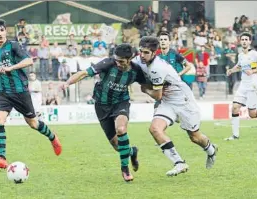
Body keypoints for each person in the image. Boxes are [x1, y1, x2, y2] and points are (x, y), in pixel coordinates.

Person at [0, 19, 62, 169]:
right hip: (3, 92)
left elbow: (29, 61)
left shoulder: (14, 46)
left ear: (5, 31)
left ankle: (53, 137)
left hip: (20, 92)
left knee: (33, 123)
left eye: (2, 30)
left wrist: (12, 68)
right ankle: (2, 157)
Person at [132, 36, 218, 176]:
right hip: (167, 102)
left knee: (195, 137)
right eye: (141, 51)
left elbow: (157, 95)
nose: (142, 55)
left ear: (154, 53)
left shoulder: (158, 67)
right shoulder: (138, 60)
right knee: (155, 129)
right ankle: (179, 163)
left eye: (146, 52)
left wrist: (145, 89)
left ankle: (211, 150)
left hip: (183, 100)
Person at [62, 43, 146, 182]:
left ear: (129, 59)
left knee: (121, 128)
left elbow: (146, 86)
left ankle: (125, 169)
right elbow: (84, 73)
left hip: (121, 102)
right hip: (101, 105)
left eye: (121, 61)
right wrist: (67, 83)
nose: (117, 63)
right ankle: (132, 152)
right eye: (116, 60)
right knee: (117, 146)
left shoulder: (136, 70)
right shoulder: (107, 63)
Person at [225, 33, 257, 141]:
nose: (244, 41)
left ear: (250, 41)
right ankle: (235, 135)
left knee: (252, 114)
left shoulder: (254, 54)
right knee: (235, 107)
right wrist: (231, 70)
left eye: (246, 39)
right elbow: (239, 66)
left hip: (253, 85)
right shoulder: (240, 55)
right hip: (243, 85)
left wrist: (252, 70)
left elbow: (255, 68)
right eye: (242, 39)